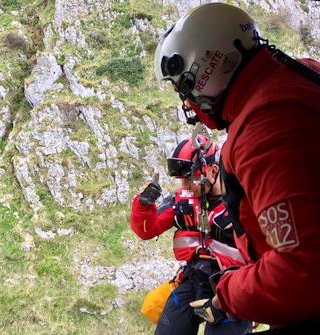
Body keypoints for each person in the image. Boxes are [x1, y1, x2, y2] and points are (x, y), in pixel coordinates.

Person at [153, 2, 320, 333]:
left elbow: (302, 271)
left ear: (206, 70)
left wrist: (228, 294)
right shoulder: (300, 76)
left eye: (186, 88)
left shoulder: (265, 132)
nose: (188, 103)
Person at [131, 135, 251, 335]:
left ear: (212, 171)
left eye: (190, 179)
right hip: (193, 281)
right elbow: (147, 230)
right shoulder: (184, 201)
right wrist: (143, 206)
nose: (184, 186)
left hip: (232, 290)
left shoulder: (243, 203)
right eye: (181, 180)